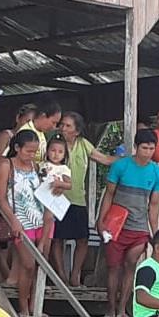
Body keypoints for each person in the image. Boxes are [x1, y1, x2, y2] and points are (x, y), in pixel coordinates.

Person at [97, 129, 159, 317]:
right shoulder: (120, 166)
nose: (148, 152)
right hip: (116, 225)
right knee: (114, 267)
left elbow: (154, 204)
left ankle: (122, 309)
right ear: (136, 147)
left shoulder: (157, 172)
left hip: (140, 227)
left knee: (131, 263)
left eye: (151, 149)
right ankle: (111, 308)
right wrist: (101, 221)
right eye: (144, 148)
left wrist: (155, 232)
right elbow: (109, 195)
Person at [53, 112, 117, 287]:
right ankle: (61, 276)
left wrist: (129, 160)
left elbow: (104, 159)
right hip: (57, 199)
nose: (63, 128)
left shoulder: (83, 144)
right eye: (62, 125)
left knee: (82, 239)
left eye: (68, 126)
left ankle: (75, 275)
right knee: (57, 238)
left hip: (78, 199)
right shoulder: (55, 144)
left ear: (77, 131)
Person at [0, 130, 44, 317]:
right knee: (28, 264)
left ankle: (35, 307)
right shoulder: (6, 165)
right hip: (20, 222)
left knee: (38, 266)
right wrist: (13, 219)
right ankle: (24, 307)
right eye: (28, 151)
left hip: (39, 219)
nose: (31, 155)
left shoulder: (35, 167)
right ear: (17, 148)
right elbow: (1, 198)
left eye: (34, 152)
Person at [0, 103, 36, 286]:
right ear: (18, 118)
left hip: (26, 208)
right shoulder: (5, 138)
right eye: (27, 121)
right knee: (1, 237)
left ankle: (12, 277)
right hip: (4, 195)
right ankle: (4, 275)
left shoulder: (32, 162)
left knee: (18, 248)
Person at [38, 133, 73, 257]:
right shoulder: (42, 165)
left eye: (60, 152)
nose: (56, 154)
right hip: (39, 196)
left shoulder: (63, 169)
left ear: (64, 154)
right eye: (53, 150)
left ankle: (42, 242)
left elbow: (69, 185)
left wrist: (60, 184)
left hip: (51, 197)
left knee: (48, 218)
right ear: (47, 151)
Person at [9, 97, 62, 161]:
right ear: (43, 116)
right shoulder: (26, 132)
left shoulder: (41, 132)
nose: (54, 127)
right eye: (53, 122)